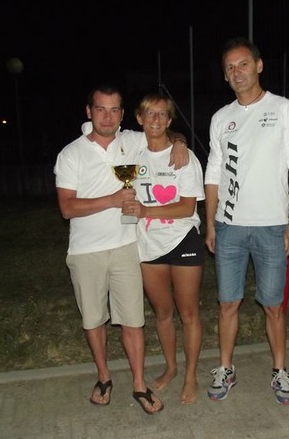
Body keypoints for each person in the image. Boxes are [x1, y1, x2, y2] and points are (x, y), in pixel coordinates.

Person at [54, 84, 189, 415]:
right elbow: (67, 208)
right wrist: (112, 200)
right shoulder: (71, 154)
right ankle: (104, 377)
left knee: (133, 320)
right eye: (100, 109)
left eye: (114, 110)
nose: (107, 117)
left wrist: (180, 142)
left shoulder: (131, 140)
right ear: (89, 112)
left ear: (123, 114)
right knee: (94, 320)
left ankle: (139, 384)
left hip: (127, 246)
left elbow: (161, 129)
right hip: (86, 250)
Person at [203, 37, 289, 405]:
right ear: (225, 75)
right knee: (227, 304)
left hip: (272, 226)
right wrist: (210, 221)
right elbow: (213, 172)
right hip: (229, 226)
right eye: (230, 68)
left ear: (259, 66)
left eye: (243, 64)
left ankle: (280, 370)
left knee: (273, 305)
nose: (237, 72)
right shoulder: (221, 118)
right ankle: (225, 368)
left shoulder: (282, 109)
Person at [121, 93, 205, 405]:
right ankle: (171, 367)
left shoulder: (184, 156)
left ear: (170, 120)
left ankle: (191, 375)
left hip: (182, 240)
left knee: (189, 313)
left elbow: (186, 208)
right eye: (149, 114)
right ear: (138, 118)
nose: (155, 120)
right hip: (147, 245)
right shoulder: (130, 151)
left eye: (162, 115)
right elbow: (94, 128)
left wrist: (146, 211)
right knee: (163, 313)